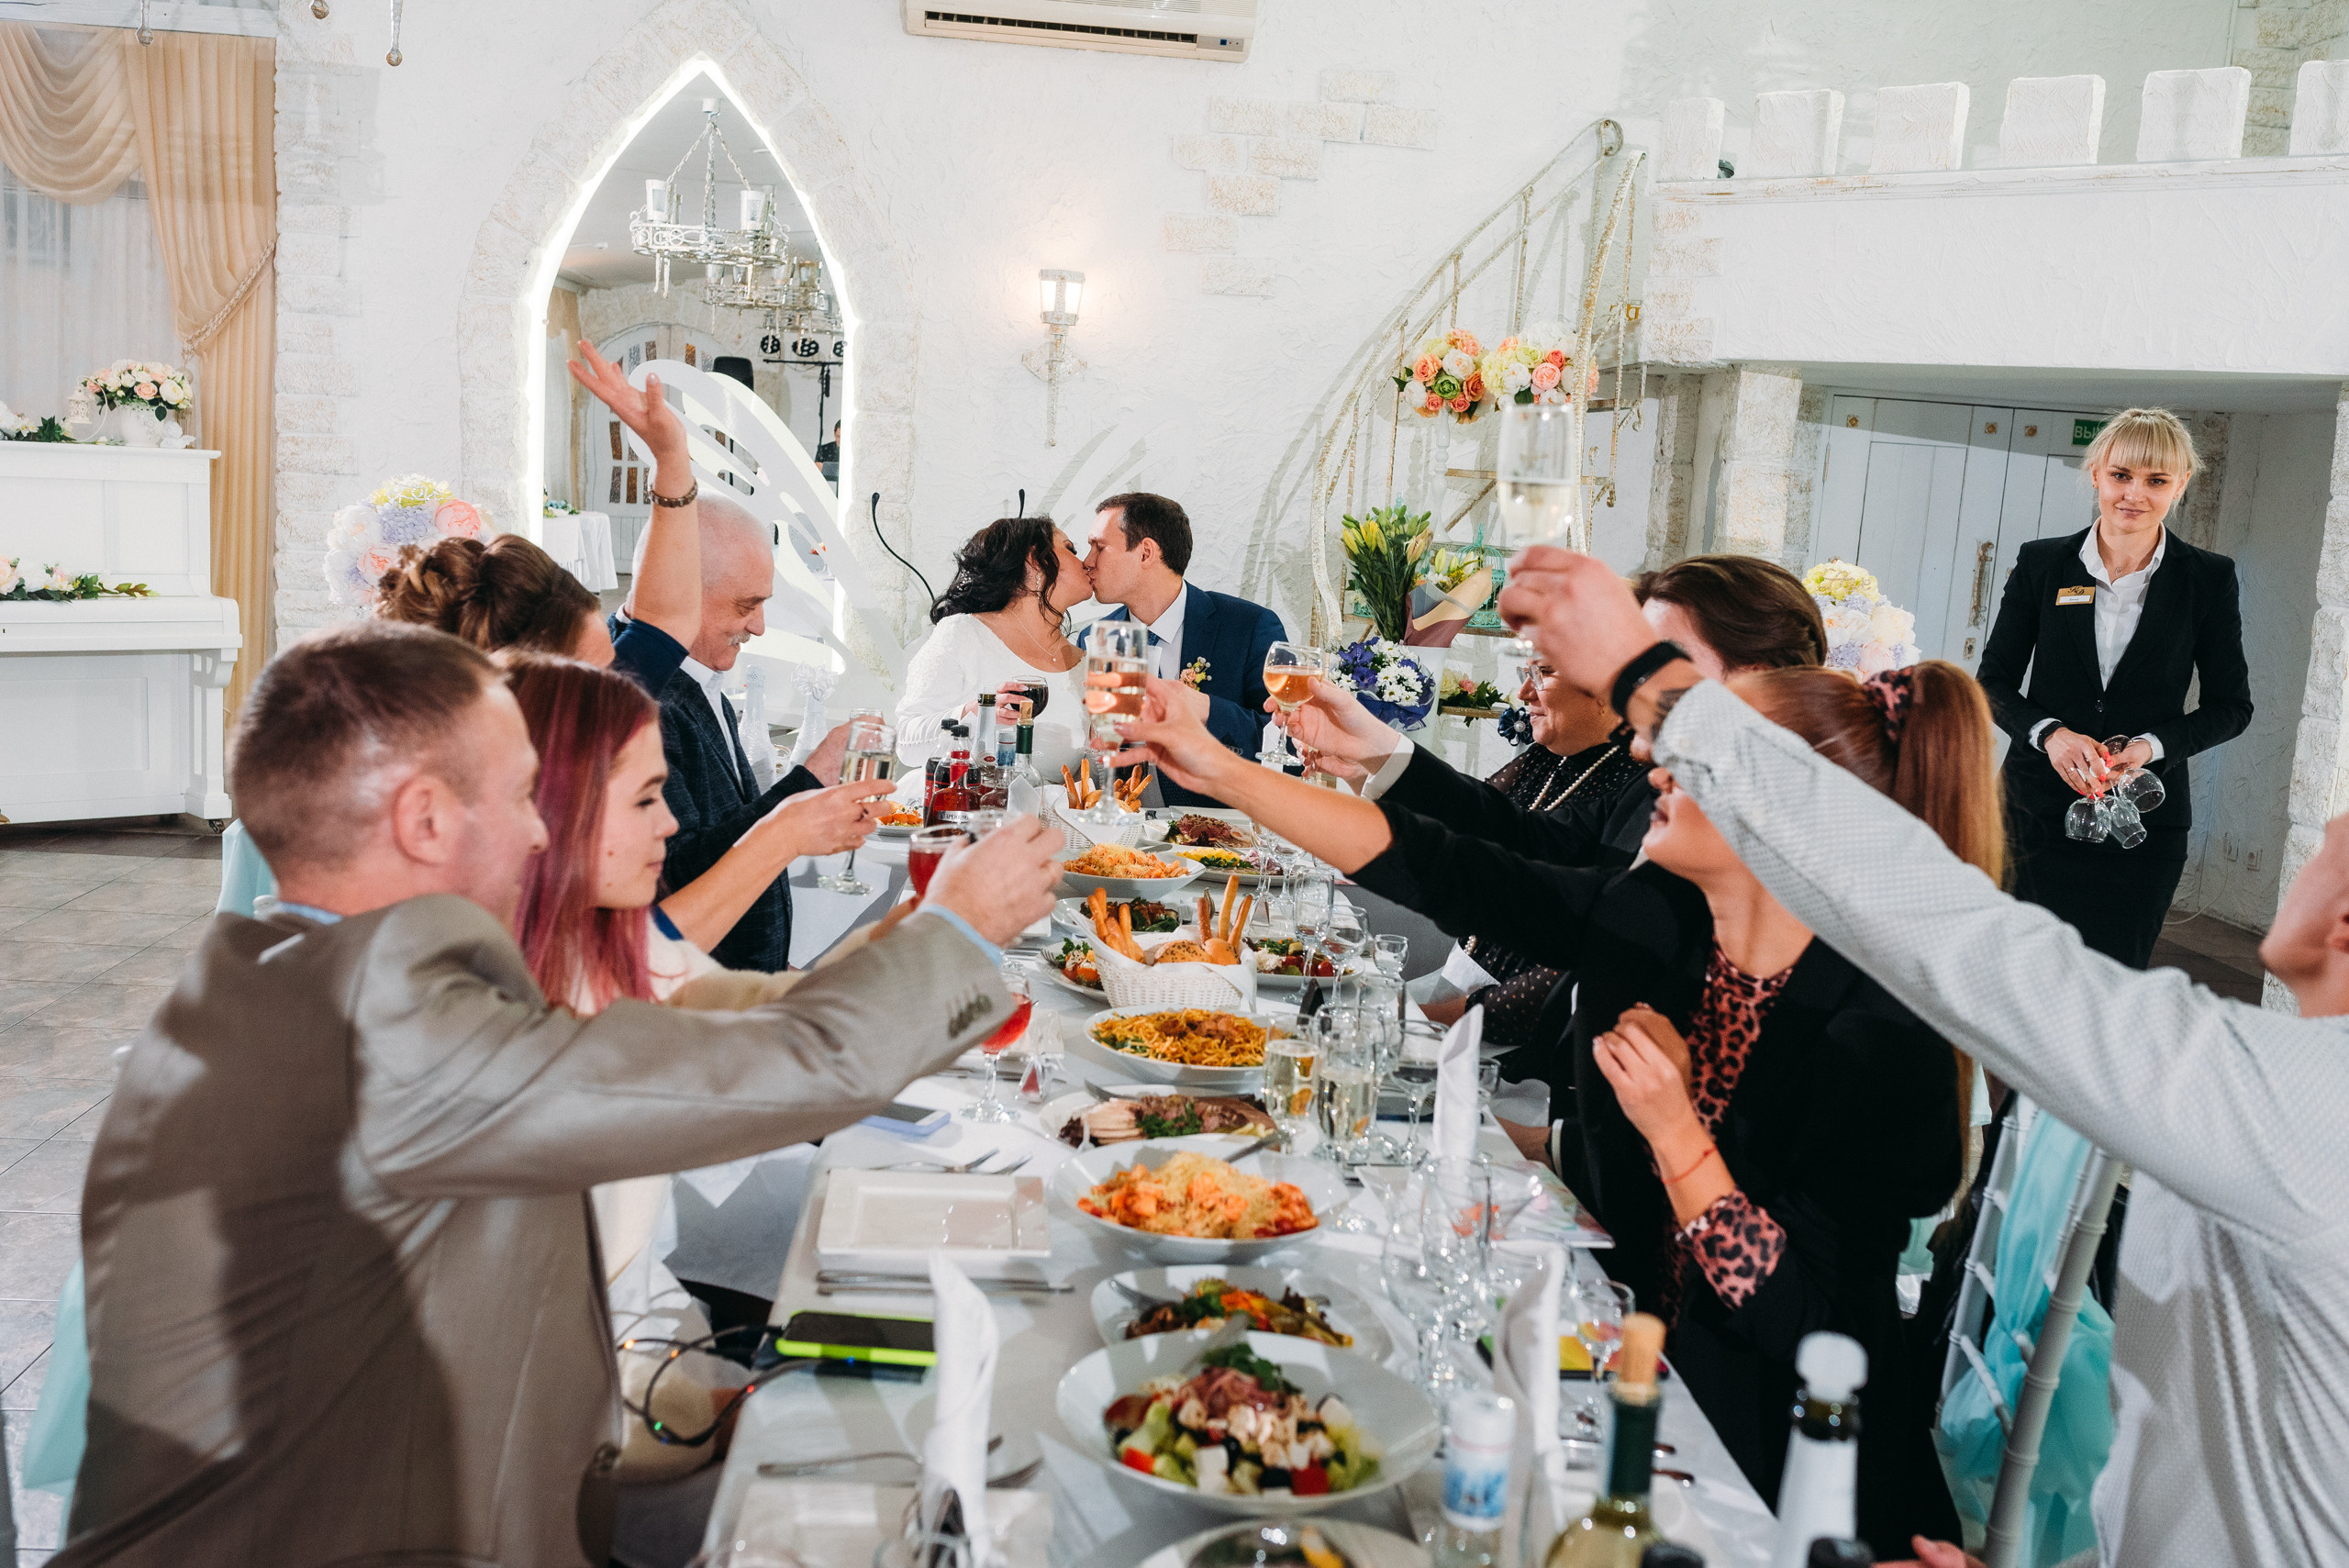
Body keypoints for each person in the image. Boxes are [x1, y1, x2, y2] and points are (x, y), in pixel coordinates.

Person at [60, 620, 1063, 1567]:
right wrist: (955, 931)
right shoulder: (376, 1024)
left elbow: (728, 1032)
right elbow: (769, 1067)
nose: (545, 829)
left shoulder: (293, 975)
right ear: (424, 819)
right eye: (521, 792)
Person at [1498, 542, 2349, 1568]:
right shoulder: (2285, 1094)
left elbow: (1958, 938)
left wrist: (1653, 682)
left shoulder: (2304, 1105)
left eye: (2337, 831)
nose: (2322, 834)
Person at [1111, 663, 1978, 1552]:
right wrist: (1221, 770)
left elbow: (1820, 1335)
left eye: (1698, 758)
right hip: (1618, 1383)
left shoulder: (1880, 1038)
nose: (1655, 765)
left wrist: (1678, 1135)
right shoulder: (1666, 916)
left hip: (1776, 1479)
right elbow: (1452, 868)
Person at [1281, 553, 1824, 866]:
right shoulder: (1654, 785)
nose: (1629, 689)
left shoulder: (1792, 836)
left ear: (1754, 678)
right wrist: (1373, 747)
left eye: (1659, 663)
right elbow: (1512, 841)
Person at [1976, 406, 2253, 970]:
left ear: (2181, 485)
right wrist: (2050, 735)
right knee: (2012, 976)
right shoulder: (2043, 563)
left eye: (2156, 480)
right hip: (2032, 814)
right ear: (2096, 474)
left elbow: (2231, 707)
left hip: (2142, 826)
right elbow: (1992, 683)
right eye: (2121, 475)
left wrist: (2151, 747)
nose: (2134, 494)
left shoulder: (2208, 578)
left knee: (2115, 982)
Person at [625, 495, 876, 969]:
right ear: (679, 590)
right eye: (747, 605)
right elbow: (679, 875)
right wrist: (804, 788)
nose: (759, 627)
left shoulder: (699, 677)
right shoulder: (643, 698)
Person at [1416, 654, 1645, 1057]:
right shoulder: (1545, 757)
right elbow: (1465, 820)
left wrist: (1436, 1016)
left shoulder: (1635, 789)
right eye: (1527, 674)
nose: (1524, 693)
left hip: (1520, 1038)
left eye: (1544, 673)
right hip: (1457, 984)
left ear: (1604, 688)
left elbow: (1583, 959)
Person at [1080, 491, 1286, 807]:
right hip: (1116, 827)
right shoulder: (1094, 639)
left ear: (1145, 553)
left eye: (1099, 547)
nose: (1087, 561)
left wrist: (1208, 709)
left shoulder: (1248, 627)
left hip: (1217, 828)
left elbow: (1291, 744)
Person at [896, 516, 1096, 781]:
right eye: (1070, 549)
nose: (1087, 563)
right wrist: (976, 714)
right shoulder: (963, 634)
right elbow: (906, 743)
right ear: (1034, 559)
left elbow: (1088, 779)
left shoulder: (1086, 665)